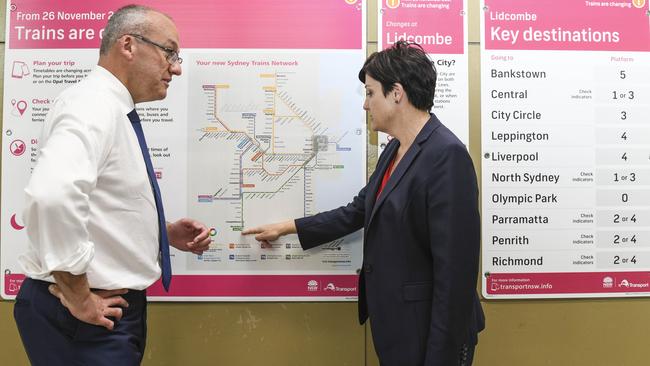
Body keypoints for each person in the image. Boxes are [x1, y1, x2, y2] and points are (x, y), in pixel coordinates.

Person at [243, 41, 484, 365]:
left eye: (370, 93)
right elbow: (359, 210)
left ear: (396, 93)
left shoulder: (446, 156)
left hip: (430, 333)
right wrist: (288, 227)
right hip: (399, 326)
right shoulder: (394, 150)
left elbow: (455, 275)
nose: (366, 105)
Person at [13, 5, 211, 365]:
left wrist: (161, 232)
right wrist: (77, 293)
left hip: (104, 311)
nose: (177, 68)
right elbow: (51, 197)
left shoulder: (112, 108)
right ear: (128, 45)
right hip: (81, 316)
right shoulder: (92, 105)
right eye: (170, 52)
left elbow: (98, 201)